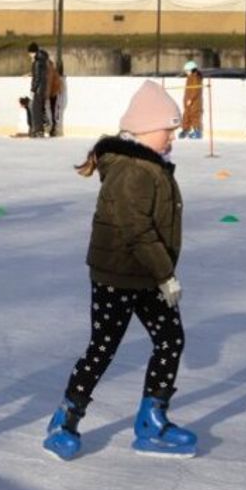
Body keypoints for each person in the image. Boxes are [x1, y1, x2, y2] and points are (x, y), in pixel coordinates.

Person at [43, 80, 195, 461]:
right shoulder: (132, 171)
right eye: (167, 131)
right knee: (103, 347)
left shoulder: (148, 165)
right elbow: (137, 230)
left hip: (147, 274)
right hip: (117, 275)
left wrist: (159, 273)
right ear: (144, 130)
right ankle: (65, 419)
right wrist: (166, 274)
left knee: (170, 339)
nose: (172, 138)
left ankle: (152, 419)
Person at [26, 42, 51, 138]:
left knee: (36, 110)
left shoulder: (37, 62)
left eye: (30, 53)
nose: (29, 55)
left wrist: (33, 89)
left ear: (33, 52)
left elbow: (37, 78)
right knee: (40, 109)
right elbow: (40, 74)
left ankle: (38, 130)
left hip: (38, 89)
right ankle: (41, 129)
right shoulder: (43, 60)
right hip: (43, 87)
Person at [180, 60, 204, 139]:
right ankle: (185, 130)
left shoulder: (196, 77)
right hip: (188, 101)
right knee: (186, 115)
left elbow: (195, 90)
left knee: (195, 116)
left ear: (192, 70)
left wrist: (191, 99)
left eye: (187, 71)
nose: (186, 72)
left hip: (195, 102)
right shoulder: (189, 77)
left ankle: (197, 132)